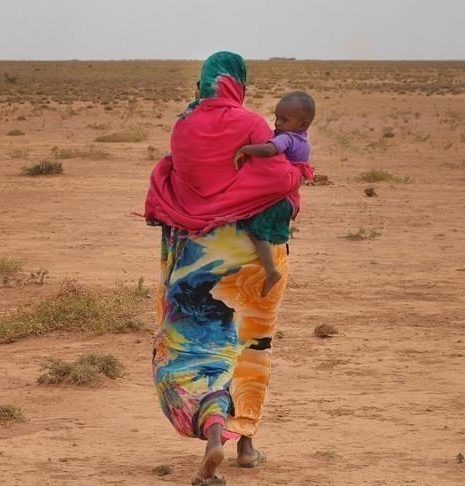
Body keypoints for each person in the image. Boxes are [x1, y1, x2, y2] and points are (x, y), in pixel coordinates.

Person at [143, 51, 305, 486]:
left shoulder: (183, 124)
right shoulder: (252, 123)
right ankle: (246, 445)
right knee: (252, 345)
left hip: (197, 257)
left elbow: (174, 180)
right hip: (254, 258)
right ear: (239, 83)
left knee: (199, 349)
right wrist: (297, 175)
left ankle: (214, 429)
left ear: (204, 82)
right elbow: (275, 180)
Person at [233, 92, 315, 297]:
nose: (277, 123)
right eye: (277, 117)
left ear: (303, 124)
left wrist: (246, 148)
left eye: (284, 120)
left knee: (255, 227)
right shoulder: (302, 140)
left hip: (282, 199)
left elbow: (270, 150)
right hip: (290, 200)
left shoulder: (288, 138)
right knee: (274, 231)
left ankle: (270, 270)